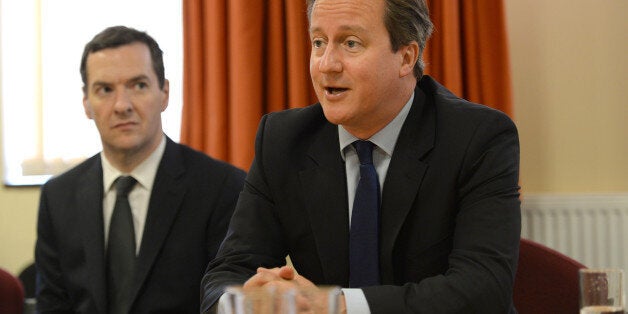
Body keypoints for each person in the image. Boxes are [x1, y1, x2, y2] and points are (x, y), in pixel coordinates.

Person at [201, 0, 521, 312]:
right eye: (318, 42)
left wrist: (335, 305)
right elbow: (225, 275)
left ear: (406, 57)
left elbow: (483, 289)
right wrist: (249, 300)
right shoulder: (283, 141)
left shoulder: (477, 138)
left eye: (350, 43)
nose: (327, 64)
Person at [35, 26, 246, 313]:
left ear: (164, 93)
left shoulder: (224, 188)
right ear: (87, 103)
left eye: (138, 85)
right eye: (105, 89)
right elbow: (52, 306)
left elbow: (227, 301)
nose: (122, 105)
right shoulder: (57, 197)